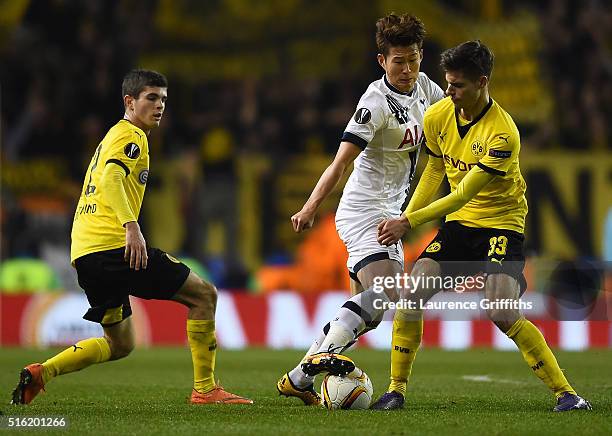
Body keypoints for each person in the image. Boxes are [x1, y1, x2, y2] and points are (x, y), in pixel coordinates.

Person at [368, 40, 591, 412]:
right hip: (460, 227)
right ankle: (395, 390)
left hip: (501, 226)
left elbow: (463, 194)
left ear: (482, 82)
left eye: (458, 85)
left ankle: (567, 394)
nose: (449, 92)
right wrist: (405, 212)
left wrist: (407, 221)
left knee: (500, 308)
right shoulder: (438, 115)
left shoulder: (502, 134)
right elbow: (435, 172)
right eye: (448, 82)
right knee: (412, 295)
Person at [11, 69, 252, 406]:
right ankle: (206, 389)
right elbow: (110, 178)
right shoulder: (131, 136)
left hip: (86, 254)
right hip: (114, 247)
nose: (159, 106)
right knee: (204, 295)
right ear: (130, 101)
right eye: (151, 98)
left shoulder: (113, 137)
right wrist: (131, 226)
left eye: (164, 100)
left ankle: (41, 373)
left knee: (120, 343)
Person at [276, 13, 444, 406]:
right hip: (366, 209)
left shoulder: (425, 87)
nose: (407, 69)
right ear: (381, 60)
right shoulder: (374, 103)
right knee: (386, 291)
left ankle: (299, 378)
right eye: (398, 61)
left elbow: (452, 116)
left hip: (392, 210)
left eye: (414, 58)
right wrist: (310, 206)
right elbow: (340, 163)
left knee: (374, 310)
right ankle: (304, 373)